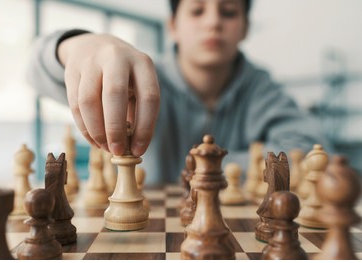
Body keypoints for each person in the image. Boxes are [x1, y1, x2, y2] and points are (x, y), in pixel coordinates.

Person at [27, 0, 332, 185]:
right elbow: (34, 71)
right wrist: (76, 46)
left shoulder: (263, 89)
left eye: (228, 12)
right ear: (173, 25)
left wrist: (208, 169)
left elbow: (316, 153)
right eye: (197, 10)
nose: (213, 22)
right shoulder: (134, 78)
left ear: (245, 27)